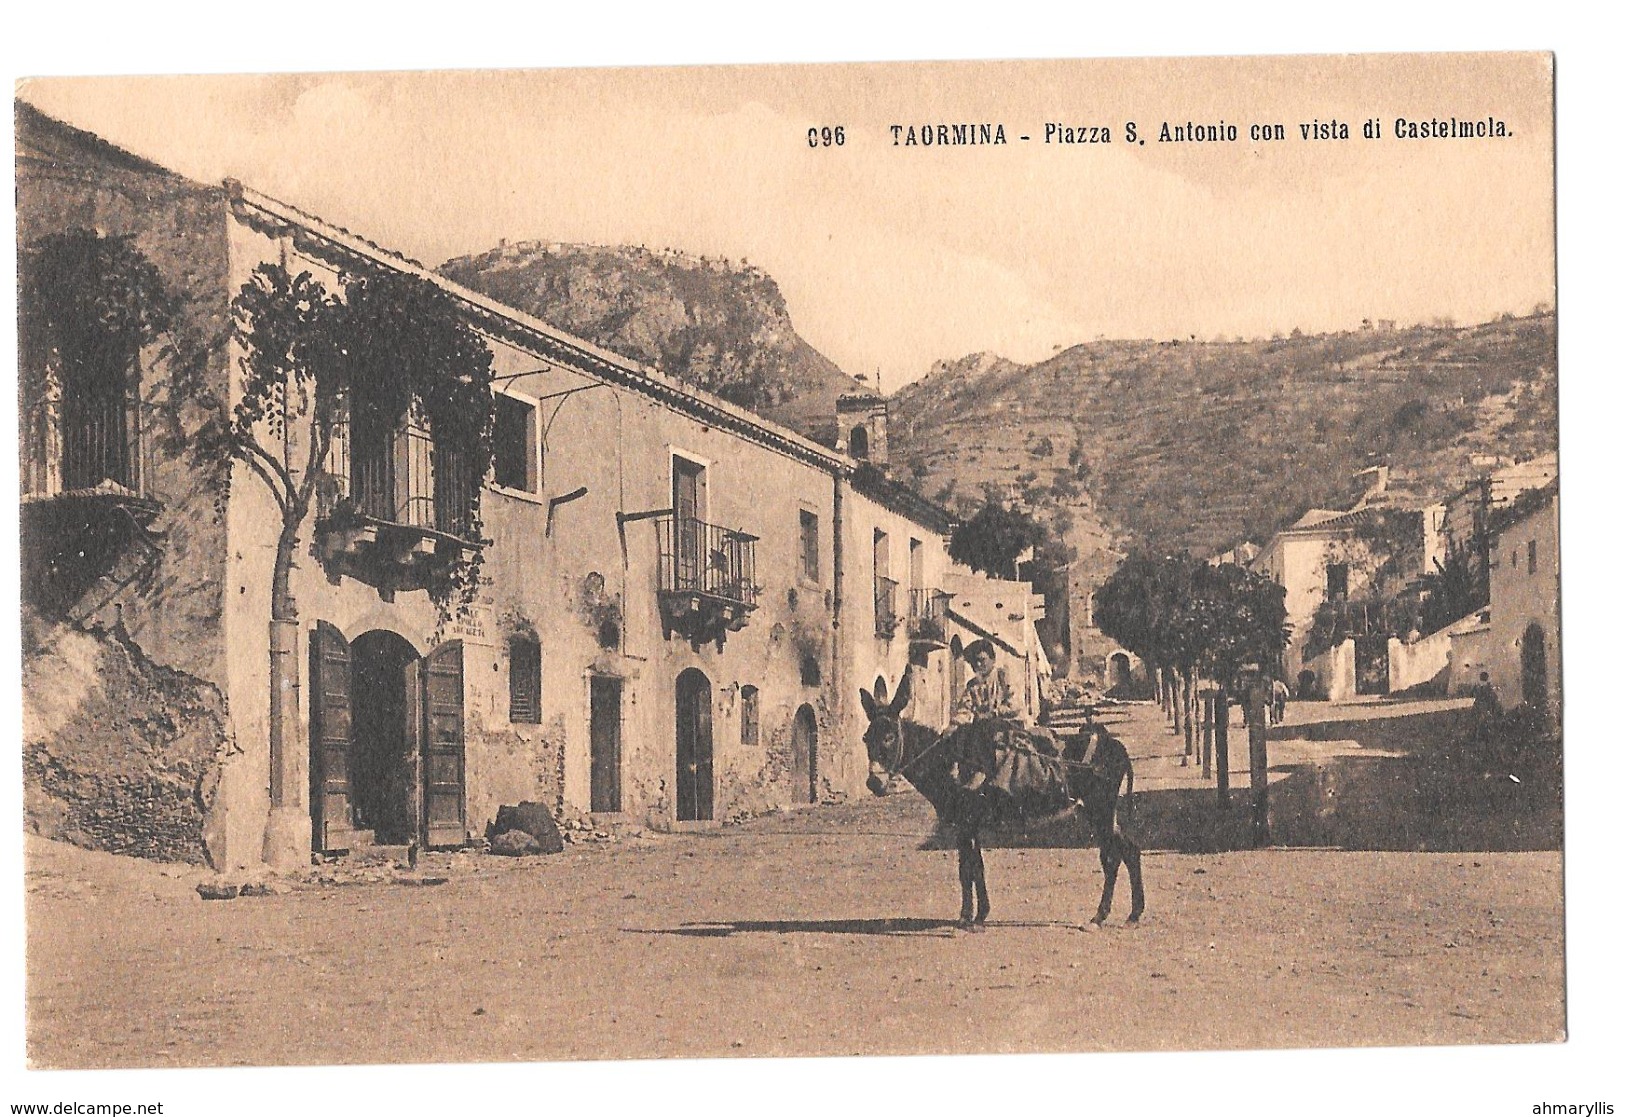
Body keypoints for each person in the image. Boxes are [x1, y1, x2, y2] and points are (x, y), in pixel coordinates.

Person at [951, 639, 1019, 791]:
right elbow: (965, 708)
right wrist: (955, 723)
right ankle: (958, 770)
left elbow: (1014, 704)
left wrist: (993, 713)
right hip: (982, 725)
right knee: (962, 731)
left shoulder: (1002, 677)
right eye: (975, 662)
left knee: (984, 728)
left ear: (993, 659)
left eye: (982, 660)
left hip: (1006, 722)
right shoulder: (972, 685)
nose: (978, 665)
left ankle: (981, 771)